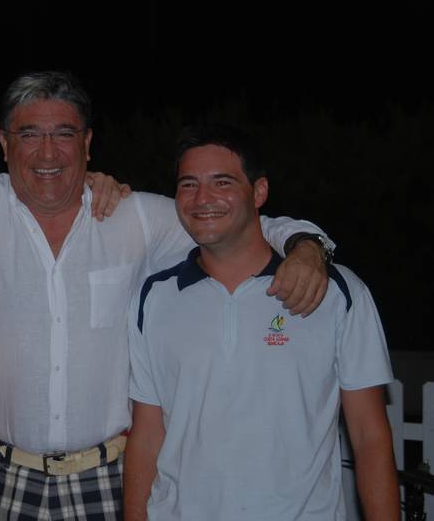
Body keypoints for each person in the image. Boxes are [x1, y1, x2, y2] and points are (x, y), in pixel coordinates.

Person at [0, 72, 333, 519]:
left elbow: (233, 221)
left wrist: (306, 245)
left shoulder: (133, 217)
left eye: (64, 134)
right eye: (29, 134)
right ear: (4, 144)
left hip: (109, 477)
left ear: (88, 143)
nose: (48, 152)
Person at [124, 124, 399, 520]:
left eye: (222, 182)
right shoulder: (153, 297)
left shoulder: (337, 291)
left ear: (259, 192)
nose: (202, 198)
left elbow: (369, 435)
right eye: (188, 184)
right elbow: (147, 435)